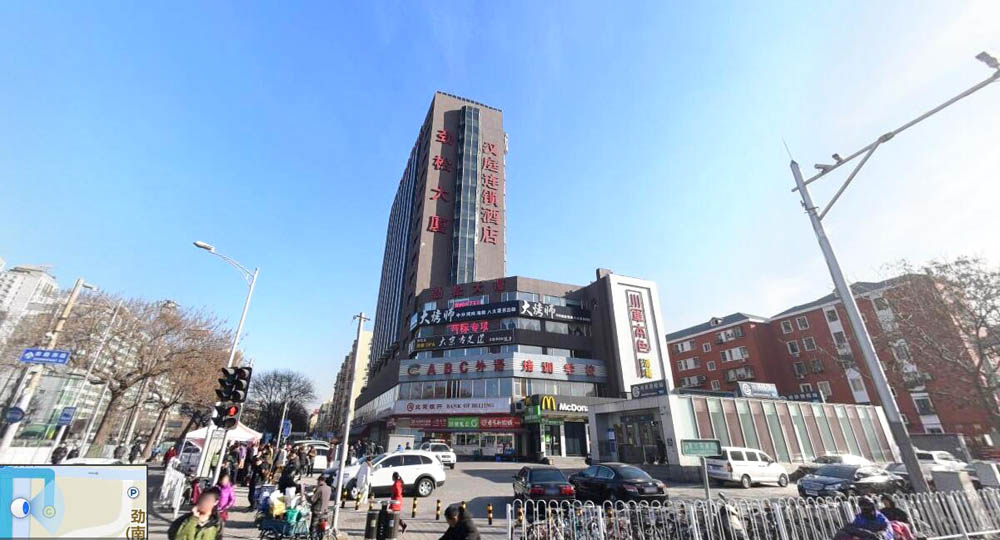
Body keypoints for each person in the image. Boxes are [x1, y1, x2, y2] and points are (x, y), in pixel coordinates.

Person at [215, 472, 236, 537]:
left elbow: (232, 499)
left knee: (220, 525)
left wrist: (226, 507)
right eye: (223, 479)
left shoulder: (229, 488)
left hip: (223, 510)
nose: (224, 481)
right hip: (214, 509)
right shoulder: (216, 487)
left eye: (226, 480)